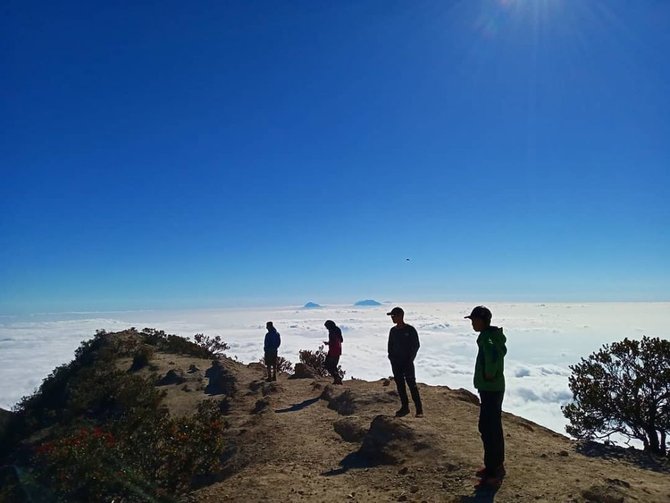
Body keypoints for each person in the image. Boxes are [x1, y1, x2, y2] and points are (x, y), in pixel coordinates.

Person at [465, 305, 507, 488]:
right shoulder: (490, 336)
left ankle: (493, 472)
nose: (472, 323)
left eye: (474, 320)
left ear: (482, 320)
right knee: (491, 427)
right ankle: (494, 466)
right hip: (493, 388)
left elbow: (492, 357)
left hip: (491, 388)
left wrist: (489, 374)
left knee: (489, 428)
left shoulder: (488, 338)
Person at [387, 307, 423, 417]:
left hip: (407, 362)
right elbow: (390, 345)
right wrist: (391, 358)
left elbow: (416, 345)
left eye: (394, 316)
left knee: (412, 385)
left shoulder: (410, 330)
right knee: (400, 385)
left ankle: (419, 409)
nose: (392, 318)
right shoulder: (393, 331)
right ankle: (405, 407)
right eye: (392, 316)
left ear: (400, 316)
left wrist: (410, 359)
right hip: (396, 363)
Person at [323, 320, 343, 385]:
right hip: (337, 350)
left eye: (326, 326)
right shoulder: (337, 330)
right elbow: (341, 340)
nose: (326, 328)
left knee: (328, 365)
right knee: (333, 366)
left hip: (333, 351)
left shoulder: (332, 332)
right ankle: (337, 379)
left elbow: (333, 342)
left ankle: (337, 378)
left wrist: (328, 343)